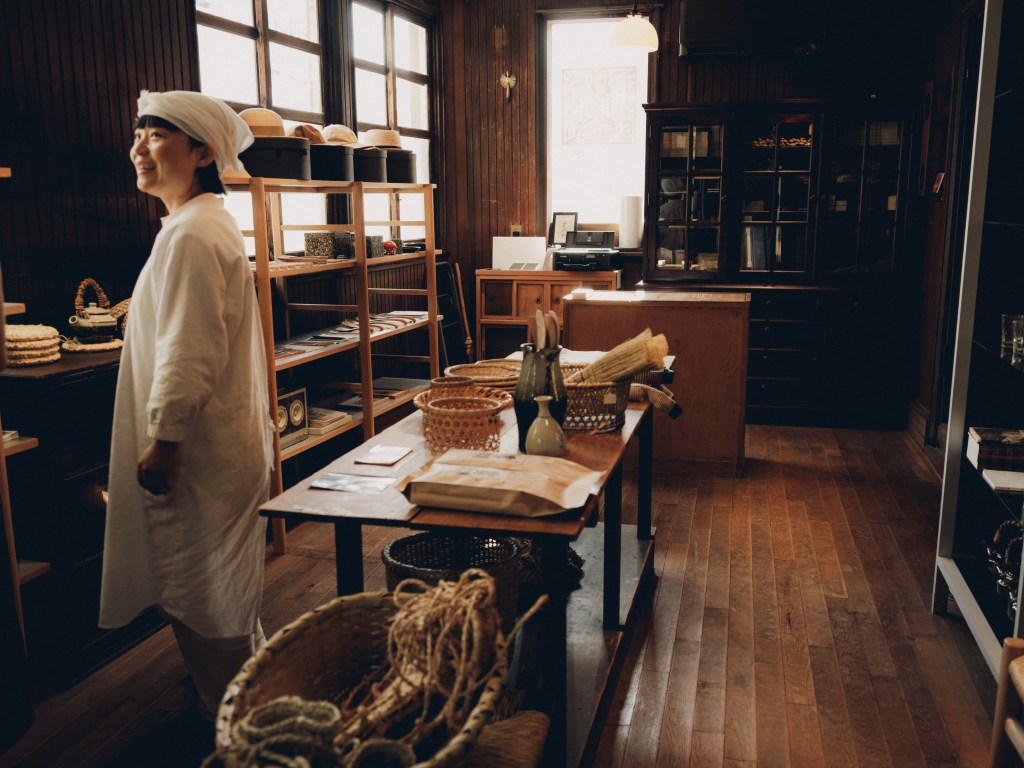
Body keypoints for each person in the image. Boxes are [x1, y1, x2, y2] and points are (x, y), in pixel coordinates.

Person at [99, 90, 274, 720]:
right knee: (221, 586)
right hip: (218, 442)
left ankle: (238, 726)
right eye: (137, 135)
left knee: (202, 590)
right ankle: (258, 700)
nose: (139, 149)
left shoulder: (194, 232)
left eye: (156, 135)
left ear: (201, 152)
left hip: (197, 451)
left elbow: (189, 347)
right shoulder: (196, 224)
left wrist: (165, 441)